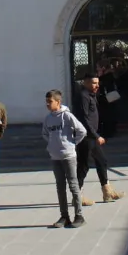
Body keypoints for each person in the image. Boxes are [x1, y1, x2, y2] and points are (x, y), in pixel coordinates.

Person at [73, 75, 124, 205]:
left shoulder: (91, 95)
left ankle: (107, 191)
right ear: (85, 83)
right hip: (85, 137)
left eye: (97, 82)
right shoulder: (83, 96)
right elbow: (84, 119)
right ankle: (77, 196)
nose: (97, 85)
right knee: (83, 165)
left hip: (91, 136)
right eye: (94, 83)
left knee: (102, 161)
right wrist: (96, 136)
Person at [41, 90, 86, 229]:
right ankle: (64, 216)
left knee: (73, 185)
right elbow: (45, 133)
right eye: (46, 102)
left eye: (50, 102)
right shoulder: (48, 118)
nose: (47, 104)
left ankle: (79, 215)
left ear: (58, 102)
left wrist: (72, 143)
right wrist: (51, 145)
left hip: (68, 156)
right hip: (55, 157)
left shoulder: (67, 116)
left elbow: (82, 131)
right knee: (60, 186)